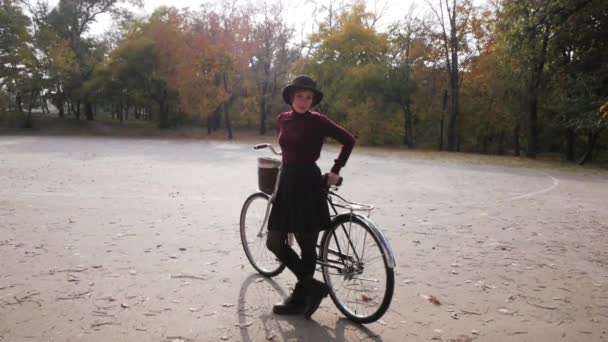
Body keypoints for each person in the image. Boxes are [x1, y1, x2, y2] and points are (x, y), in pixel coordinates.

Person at [266, 75, 356, 318]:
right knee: (274, 242)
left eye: (309, 97)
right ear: (291, 97)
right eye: (300, 96)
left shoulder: (319, 121)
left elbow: (348, 140)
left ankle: (300, 297)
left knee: (307, 247)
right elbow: (287, 148)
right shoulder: (282, 119)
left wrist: (335, 171)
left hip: (308, 184)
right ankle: (312, 286)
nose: (305, 101)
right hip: (287, 183)